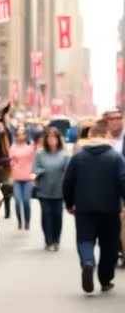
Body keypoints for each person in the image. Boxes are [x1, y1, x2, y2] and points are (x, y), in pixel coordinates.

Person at [62, 119, 125, 294]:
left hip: (84, 208)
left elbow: (68, 182)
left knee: (85, 240)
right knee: (109, 245)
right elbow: (123, 182)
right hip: (110, 209)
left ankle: (88, 262)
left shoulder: (78, 157)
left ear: (90, 136)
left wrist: (69, 202)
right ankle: (105, 279)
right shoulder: (116, 158)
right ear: (107, 135)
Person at [33, 127, 69, 251]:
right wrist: (41, 172)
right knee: (46, 214)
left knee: (57, 216)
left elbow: (68, 171)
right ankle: (48, 240)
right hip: (44, 189)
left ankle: (56, 240)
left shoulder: (64, 155)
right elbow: (34, 168)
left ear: (58, 139)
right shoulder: (39, 153)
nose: (52, 140)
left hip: (59, 190)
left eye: (54, 137)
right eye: (49, 137)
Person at [9, 127, 37, 231]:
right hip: (16, 178)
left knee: (26, 201)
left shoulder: (30, 148)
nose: (20, 136)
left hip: (27, 178)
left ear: (26, 135)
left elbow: (35, 158)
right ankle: (19, 220)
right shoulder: (12, 148)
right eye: (18, 134)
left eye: (22, 134)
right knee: (17, 201)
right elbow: (10, 162)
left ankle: (27, 221)